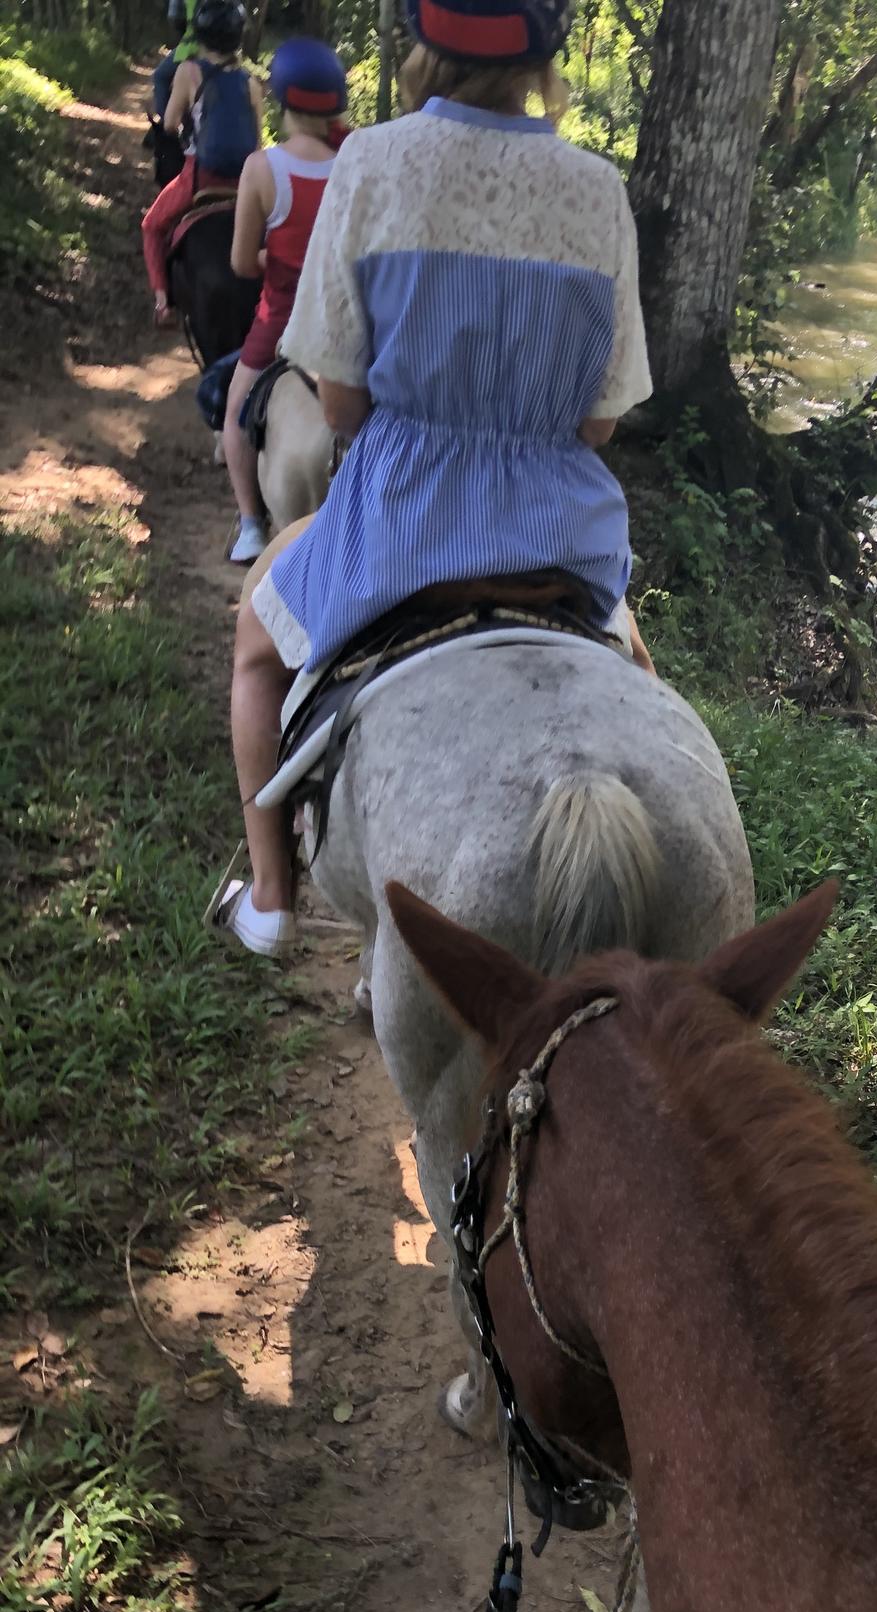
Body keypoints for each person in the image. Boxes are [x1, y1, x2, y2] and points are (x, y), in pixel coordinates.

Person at [214, 0, 657, 960]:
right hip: (562, 531)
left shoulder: (372, 161)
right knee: (646, 689)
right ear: (547, 63)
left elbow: (336, 407)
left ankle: (272, 897)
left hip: (399, 512)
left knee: (256, 645)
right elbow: (602, 421)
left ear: (423, 50)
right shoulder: (596, 189)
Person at [222, 38, 347, 564]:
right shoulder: (354, 159)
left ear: (280, 101)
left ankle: (251, 524)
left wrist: (274, 254)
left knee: (233, 415)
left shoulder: (262, 168)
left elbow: (240, 264)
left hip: (279, 324)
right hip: (344, 325)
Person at [142, 0, 263, 330]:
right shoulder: (250, 82)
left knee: (152, 226)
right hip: (244, 184)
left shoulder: (188, 72)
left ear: (201, 35)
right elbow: (258, 144)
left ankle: (163, 303)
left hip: (199, 177)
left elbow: (168, 124)